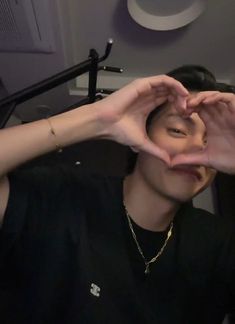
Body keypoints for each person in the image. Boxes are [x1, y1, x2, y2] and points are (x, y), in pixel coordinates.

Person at [0, 65, 235, 324]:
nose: (195, 150)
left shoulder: (217, 242)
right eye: (178, 130)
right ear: (141, 134)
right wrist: (97, 119)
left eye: (209, 141)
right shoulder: (63, 195)